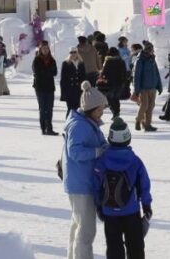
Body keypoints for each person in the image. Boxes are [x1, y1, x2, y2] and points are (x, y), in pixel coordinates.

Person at [92, 116, 152, 259]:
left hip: (109, 211)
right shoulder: (135, 161)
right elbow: (144, 185)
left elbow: (95, 185)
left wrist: (99, 206)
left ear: (110, 139)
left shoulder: (102, 161)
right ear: (128, 139)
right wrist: (147, 205)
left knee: (114, 248)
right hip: (131, 211)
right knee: (135, 247)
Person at [62, 81, 109, 259]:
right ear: (90, 109)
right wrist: (97, 152)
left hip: (81, 181)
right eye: (100, 109)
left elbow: (97, 142)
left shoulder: (87, 122)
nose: (102, 112)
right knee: (86, 229)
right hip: (81, 184)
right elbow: (74, 152)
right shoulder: (79, 126)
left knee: (78, 224)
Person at [132, 41, 162, 132]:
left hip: (153, 87)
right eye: (151, 49)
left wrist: (159, 85)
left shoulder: (152, 59)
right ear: (148, 50)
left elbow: (157, 73)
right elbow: (137, 76)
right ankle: (138, 120)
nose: (153, 51)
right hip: (143, 88)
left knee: (151, 106)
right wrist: (137, 90)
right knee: (144, 105)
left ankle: (147, 124)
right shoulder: (140, 60)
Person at [33, 41, 59, 136]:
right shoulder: (37, 60)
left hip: (50, 87)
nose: (46, 50)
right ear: (40, 49)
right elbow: (37, 73)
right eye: (44, 49)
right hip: (40, 88)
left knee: (50, 109)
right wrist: (48, 72)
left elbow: (55, 72)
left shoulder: (52, 60)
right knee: (42, 109)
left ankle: (50, 128)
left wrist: (46, 72)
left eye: (47, 48)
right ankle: (43, 128)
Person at [99, 47, 128, 119]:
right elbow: (125, 73)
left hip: (110, 83)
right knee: (116, 98)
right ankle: (117, 112)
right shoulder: (121, 61)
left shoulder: (108, 61)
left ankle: (114, 111)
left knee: (110, 98)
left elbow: (104, 72)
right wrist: (124, 82)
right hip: (119, 83)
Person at [61, 48, 86, 118]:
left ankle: (77, 125)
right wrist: (63, 93)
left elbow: (84, 77)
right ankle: (68, 124)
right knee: (70, 109)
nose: (73, 54)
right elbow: (63, 79)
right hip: (70, 91)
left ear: (77, 53)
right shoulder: (65, 63)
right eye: (71, 52)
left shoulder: (81, 63)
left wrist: (85, 90)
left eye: (74, 52)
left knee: (79, 109)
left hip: (79, 91)